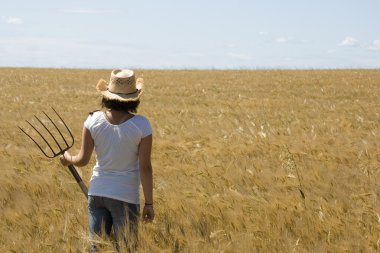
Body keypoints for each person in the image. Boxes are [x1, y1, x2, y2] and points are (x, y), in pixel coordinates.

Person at [59, 69, 154, 252]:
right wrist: (149, 203)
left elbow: (82, 159)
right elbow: (145, 168)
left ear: (108, 96)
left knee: (97, 248)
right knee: (125, 249)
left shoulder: (93, 120)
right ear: (134, 98)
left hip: (97, 194)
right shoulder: (142, 125)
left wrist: (67, 158)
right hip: (125, 197)